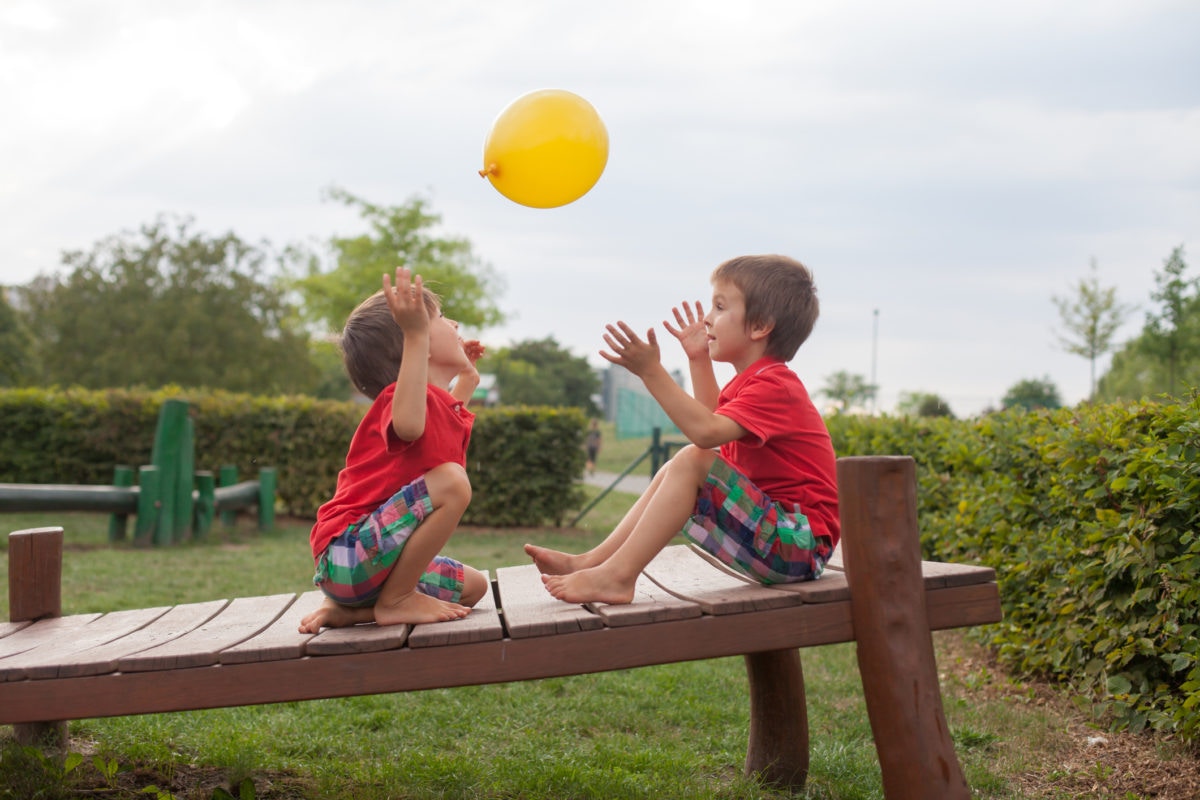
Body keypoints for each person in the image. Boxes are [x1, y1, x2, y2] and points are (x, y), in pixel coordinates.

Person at [525, 254, 839, 605]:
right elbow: (711, 420)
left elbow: (704, 433)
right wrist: (698, 359)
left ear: (760, 325)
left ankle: (618, 576)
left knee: (691, 459)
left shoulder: (776, 386)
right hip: (781, 539)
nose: (707, 317)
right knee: (680, 464)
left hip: (798, 544)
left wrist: (651, 372)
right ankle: (592, 562)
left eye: (720, 307)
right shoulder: (754, 383)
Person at [299, 266, 490, 633]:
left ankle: (357, 611)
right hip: (347, 554)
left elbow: (445, 430)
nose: (454, 325)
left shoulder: (433, 404)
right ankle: (397, 600)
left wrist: (467, 378)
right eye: (440, 319)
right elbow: (412, 427)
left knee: (475, 586)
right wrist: (416, 334)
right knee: (453, 481)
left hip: (372, 567)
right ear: (415, 341)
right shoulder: (395, 402)